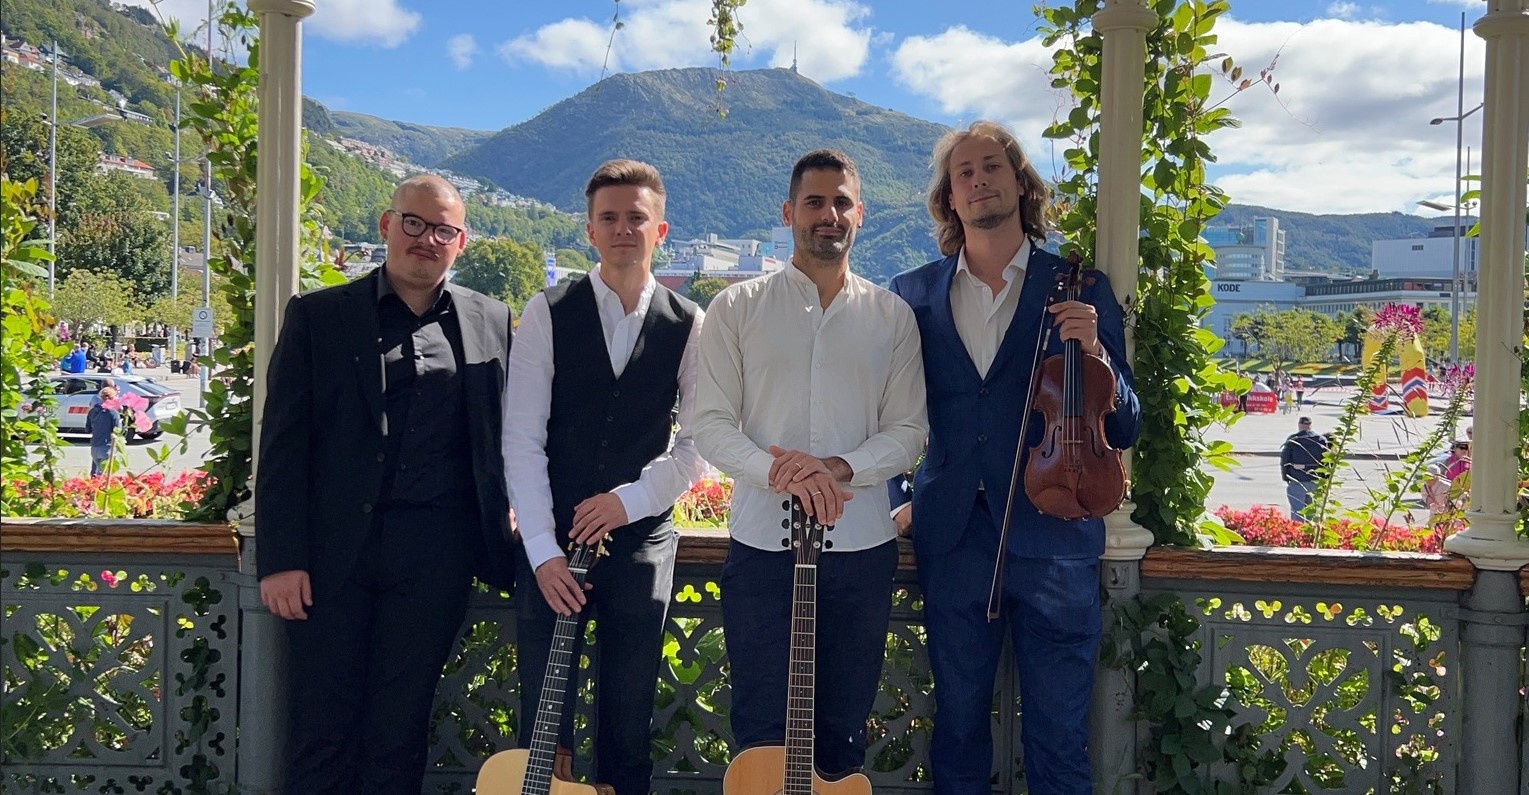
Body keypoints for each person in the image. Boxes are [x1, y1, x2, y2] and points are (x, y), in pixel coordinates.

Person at [885, 120, 1141, 794]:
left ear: (1020, 183)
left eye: (991, 166)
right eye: (963, 173)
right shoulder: (911, 294)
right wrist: (896, 499)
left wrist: (1095, 353)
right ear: (949, 196)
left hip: (1053, 532)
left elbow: (1125, 425)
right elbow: (883, 412)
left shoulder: (1080, 286)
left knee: (1058, 740)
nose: (978, 181)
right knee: (958, 730)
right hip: (954, 538)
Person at [255, 174, 517, 793]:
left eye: (444, 230)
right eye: (414, 224)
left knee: (399, 731)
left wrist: (516, 510)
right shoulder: (319, 315)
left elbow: (512, 431)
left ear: (462, 242)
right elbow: (284, 444)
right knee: (322, 731)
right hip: (330, 559)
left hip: (435, 561)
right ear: (386, 225)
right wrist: (282, 559)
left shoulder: (492, 319)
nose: (427, 239)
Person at [694, 149, 928, 779]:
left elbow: (909, 431)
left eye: (841, 202)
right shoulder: (736, 308)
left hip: (860, 552)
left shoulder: (892, 317)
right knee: (760, 737)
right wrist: (781, 472)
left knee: (842, 738)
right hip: (761, 552)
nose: (829, 215)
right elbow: (709, 423)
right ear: (788, 212)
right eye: (815, 202)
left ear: (861, 214)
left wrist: (839, 468)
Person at [503, 160, 707, 795]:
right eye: (609, 218)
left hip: (642, 542)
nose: (623, 229)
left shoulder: (689, 322)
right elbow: (522, 438)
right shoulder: (546, 312)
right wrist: (543, 552)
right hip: (551, 544)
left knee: (628, 720)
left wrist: (629, 501)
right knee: (543, 728)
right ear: (589, 230)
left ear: (660, 230)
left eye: (636, 218)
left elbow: (698, 445)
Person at [1280, 416, 1329, 521]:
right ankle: (1312, 530)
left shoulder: (1293, 440)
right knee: (1313, 511)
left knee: (1297, 511)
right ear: (1310, 425)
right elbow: (1327, 461)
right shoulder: (1321, 440)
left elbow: (1284, 460)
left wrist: (1285, 477)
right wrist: (1325, 479)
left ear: (1299, 425)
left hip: (1297, 478)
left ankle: (1298, 530)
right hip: (1315, 479)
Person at [86, 385, 120, 476]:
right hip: (107, 446)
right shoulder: (113, 412)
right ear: (112, 398)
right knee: (106, 475)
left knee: (97, 474)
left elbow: (88, 429)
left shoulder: (92, 411)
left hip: (95, 446)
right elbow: (118, 430)